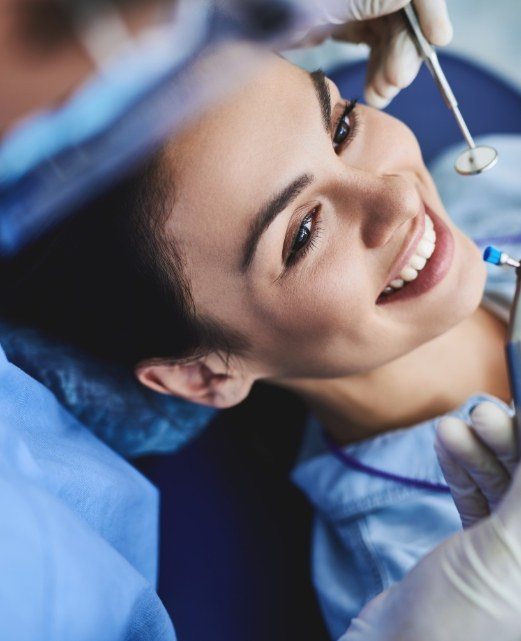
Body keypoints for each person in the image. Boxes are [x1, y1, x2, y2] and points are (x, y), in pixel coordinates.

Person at [3, 46, 521, 641]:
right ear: (205, 375)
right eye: (303, 232)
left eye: (341, 127)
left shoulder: (495, 186)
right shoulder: (416, 583)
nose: (400, 199)